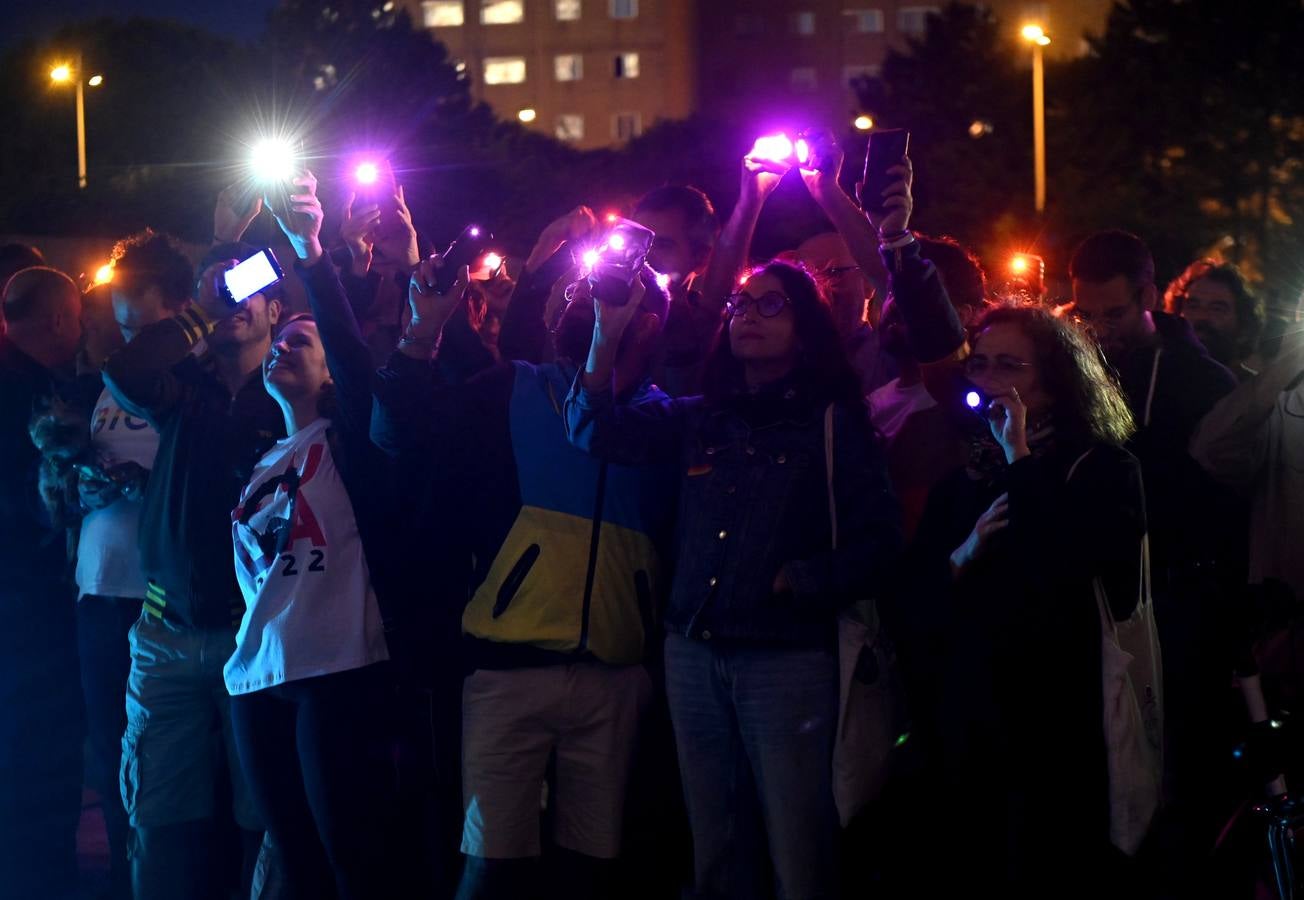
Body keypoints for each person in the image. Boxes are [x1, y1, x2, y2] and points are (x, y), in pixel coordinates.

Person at [567, 259, 902, 899]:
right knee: (716, 844)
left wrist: (799, 580)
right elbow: (591, 431)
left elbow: (883, 540)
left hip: (784, 656)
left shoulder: (833, 422)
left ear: (805, 326)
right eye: (742, 304)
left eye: (771, 305)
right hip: (692, 648)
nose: (748, 314)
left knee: (797, 844)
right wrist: (605, 335)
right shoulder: (702, 417)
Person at [372, 228, 680, 900]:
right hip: (507, 670)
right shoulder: (511, 387)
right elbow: (396, 435)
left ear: (649, 319)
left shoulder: (664, 420)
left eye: (603, 290)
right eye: (574, 289)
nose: (582, 298)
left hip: (614, 679)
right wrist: (421, 331)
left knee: (592, 872)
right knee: (490, 868)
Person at [900, 302, 1145, 892]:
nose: (988, 382)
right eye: (980, 365)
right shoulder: (960, 479)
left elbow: (1065, 569)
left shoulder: (1103, 467)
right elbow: (911, 599)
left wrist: (1021, 461)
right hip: (966, 708)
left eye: (1011, 366)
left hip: (1055, 713)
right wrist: (961, 556)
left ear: (1057, 382)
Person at [220, 171, 401, 900]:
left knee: (350, 858)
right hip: (258, 677)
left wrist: (310, 250)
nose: (282, 348)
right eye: (280, 341)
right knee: (294, 861)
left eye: (302, 340)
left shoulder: (353, 438)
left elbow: (359, 367)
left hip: (336, 673)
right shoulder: (263, 456)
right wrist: (232, 244)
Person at [102, 227, 285, 898]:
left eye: (250, 287)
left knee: (262, 821)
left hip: (256, 640)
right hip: (167, 634)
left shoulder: (291, 394)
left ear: (275, 309)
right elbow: (123, 373)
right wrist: (202, 309)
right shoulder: (184, 389)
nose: (236, 295)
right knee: (159, 816)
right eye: (223, 284)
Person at [72, 229, 191, 899]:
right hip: (99, 588)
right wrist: (81, 481)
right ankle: (125, 879)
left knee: (164, 757)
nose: (118, 315)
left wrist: (144, 486)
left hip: (159, 596)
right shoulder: (106, 383)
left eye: (129, 299)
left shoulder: (185, 377)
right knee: (109, 745)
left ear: (168, 301)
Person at [0, 266, 85, 900]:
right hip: (27, 599)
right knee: (39, 759)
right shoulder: (31, 393)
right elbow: (40, 502)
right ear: (59, 319)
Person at [630, 185, 722, 397]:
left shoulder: (705, 331)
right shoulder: (597, 308)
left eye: (661, 245)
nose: (643, 258)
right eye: (638, 241)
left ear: (701, 259)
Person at [1164, 258, 1264, 380]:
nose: (1202, 316)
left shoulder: (1256, 392)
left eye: (1217, 309)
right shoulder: (1155, 380)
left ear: (1242, 321)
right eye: (1193, 306)